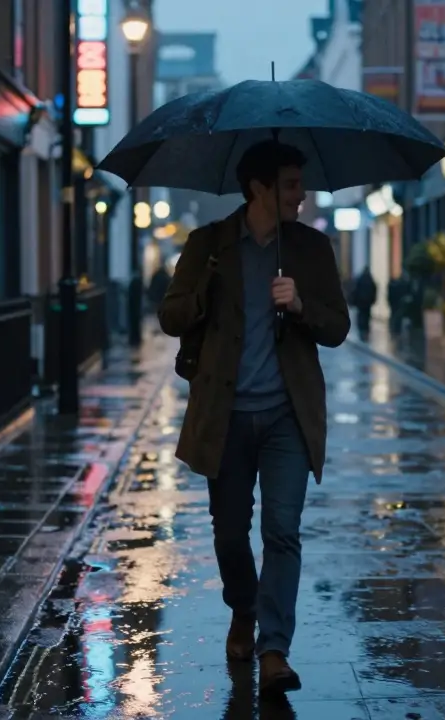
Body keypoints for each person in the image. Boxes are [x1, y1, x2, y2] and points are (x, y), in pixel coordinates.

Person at [156, 139, 350, 695]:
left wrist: (302, 307)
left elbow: (337, 328)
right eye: (291, 185)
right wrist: (206, 293)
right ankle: (243, 607)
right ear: (259, 189)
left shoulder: (311, 249)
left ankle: (274, 649)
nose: (301, 195)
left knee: (282, 532)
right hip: (227, 416)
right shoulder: (209, 245)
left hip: (289, 417)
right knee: (229, 535)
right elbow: (171, 315)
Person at [350, 266, 377, 337]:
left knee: (362, 315)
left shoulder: (360, 279)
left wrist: (354, 300)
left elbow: (355, 290)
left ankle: (362, 329)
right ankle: (365, 329)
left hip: (361, 302)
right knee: (366, 315)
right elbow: (374, 290)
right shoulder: (370, 279)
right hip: (367, 302)